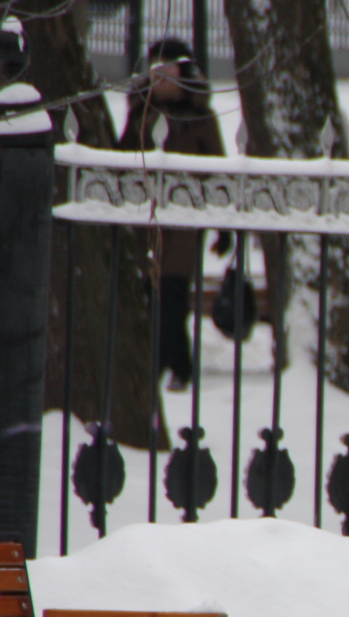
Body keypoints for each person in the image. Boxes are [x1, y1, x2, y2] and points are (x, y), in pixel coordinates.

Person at [116, 38, 224, 393]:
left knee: (172, 292)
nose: (161, 77)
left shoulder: (201, 117)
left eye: (169, 69)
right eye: (156, 69)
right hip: (143, 220)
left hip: (185, 221)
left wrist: (224, 227)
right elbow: (119, 162)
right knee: (150, 291)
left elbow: (218, 172)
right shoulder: (140, 112)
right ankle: (181, 365)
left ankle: (163, 367)